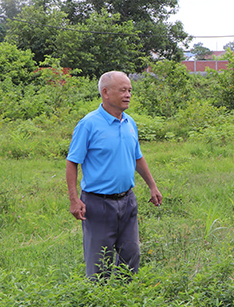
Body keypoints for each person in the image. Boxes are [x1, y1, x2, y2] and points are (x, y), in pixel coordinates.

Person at [66, 71, 162, 280]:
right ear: (106, 93)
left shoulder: (129, 123)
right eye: (123, 90)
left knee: (131, 258)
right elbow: (72, 162)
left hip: (127, 201)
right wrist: (74, 199)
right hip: (98, 204)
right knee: (100, 265)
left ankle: (125, 303)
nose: (128, 94)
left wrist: (152, 186)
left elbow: (137, 157)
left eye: (129, 90)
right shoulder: (88, 124)